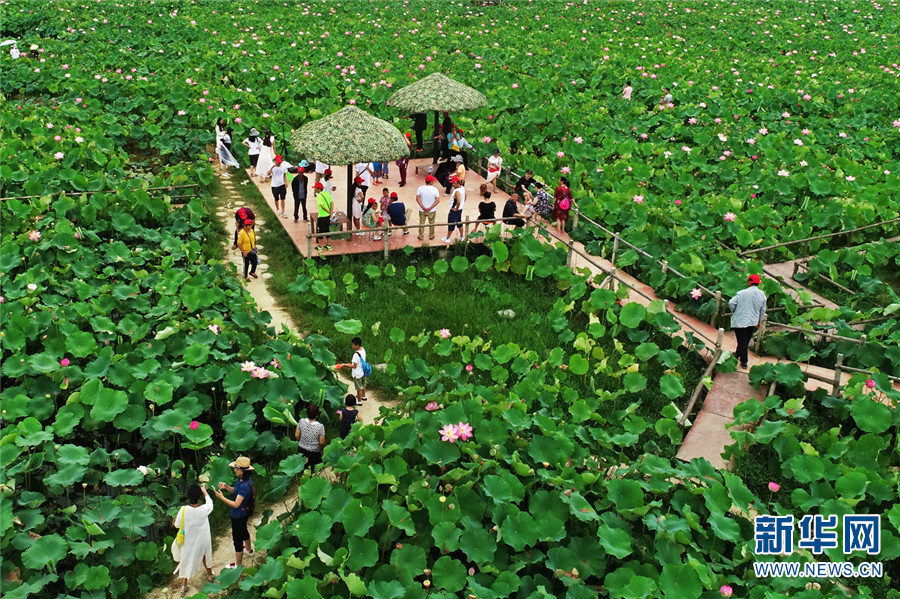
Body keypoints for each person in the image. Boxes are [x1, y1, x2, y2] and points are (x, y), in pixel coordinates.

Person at [213, 456, 255, 570]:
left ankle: (238, 565)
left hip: (238, 515)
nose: (234, 470)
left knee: (237, 539)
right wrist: (226, 487)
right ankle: (249, 549)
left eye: (237, 469)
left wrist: (221, 498)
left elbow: (236, 504)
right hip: (243, 513)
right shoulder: (243, 480)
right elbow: (236, 491)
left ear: (243, 471)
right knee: (244, 531)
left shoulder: (244, 487)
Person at [173, 484, 215, 597]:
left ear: (187, 496)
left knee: (186, 561)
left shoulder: (183, 510)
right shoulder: (204, 509)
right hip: (202, 540)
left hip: (189, 541)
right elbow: (210, 504)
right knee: (205, 555)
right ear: (200, 496)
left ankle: (183, 586)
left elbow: (177, 525)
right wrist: (205, 492)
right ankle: (210, 575)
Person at [728, 274, 767, 371]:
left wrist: (734, 310)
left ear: (749, 282)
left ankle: (744, 361)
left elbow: (731, 303)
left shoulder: (742, 293)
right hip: (753, 321)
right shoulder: (762, 295)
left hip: (740, 320)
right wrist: (759, 321)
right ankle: (737, 353)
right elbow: (762, 310)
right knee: (744, 341)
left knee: (742, 341)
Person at [294, 404, 326, 470]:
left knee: (302, 469)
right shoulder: (320, 427)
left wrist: (302, 442)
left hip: (301, 449)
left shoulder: (301, 421)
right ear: (317, 415)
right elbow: (321, 442)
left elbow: (296, 435)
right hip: (314, 453)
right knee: (314, 471)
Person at [340, 337, 369, 401]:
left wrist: (345, 365)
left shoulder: (356, 355)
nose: (352, 346)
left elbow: (354, 366)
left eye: (353, 345)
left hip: (357, 373)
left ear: (357, 345)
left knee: (359, 388)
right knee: (363, 384)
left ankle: (359, 401)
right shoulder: (363, 350)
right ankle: (363, 396)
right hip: (363, 371)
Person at [416, 175, 440, 241]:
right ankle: (431, 235)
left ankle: (421, 236)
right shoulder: (435, 189)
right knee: (432, 223)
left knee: (421, 223)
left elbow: (417, 199)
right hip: (432, 210)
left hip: (422, 210)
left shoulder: (420, 188)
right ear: (431, 182)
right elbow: (437, 200)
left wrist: (423, 207)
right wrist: (430, 208)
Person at [441, 177, 466, 244]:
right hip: (460, 209)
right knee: (459, 222)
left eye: (454, 183)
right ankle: (461, 236)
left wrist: (456, 208)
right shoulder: (462, 188)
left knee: (451, 223)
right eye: (452, 183)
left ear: (458, 183)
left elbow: (458, 201)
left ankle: (447, 238)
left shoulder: (457, 191)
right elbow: (465, 196)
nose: (453, 185)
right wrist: (462, 204)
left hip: (455, 210)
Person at [312, 182, 332, 252]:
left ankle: (320, 246)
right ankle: (329, 245)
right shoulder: (327, 194)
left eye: (315, 188)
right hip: (327, 216)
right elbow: (332, 203)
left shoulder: (319, 196)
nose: (314, 190)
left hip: (322, 216)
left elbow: (322, 206)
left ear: (319, 189)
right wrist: (330, 212)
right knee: (327, 229)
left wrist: (327, 211)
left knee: (320, 231)